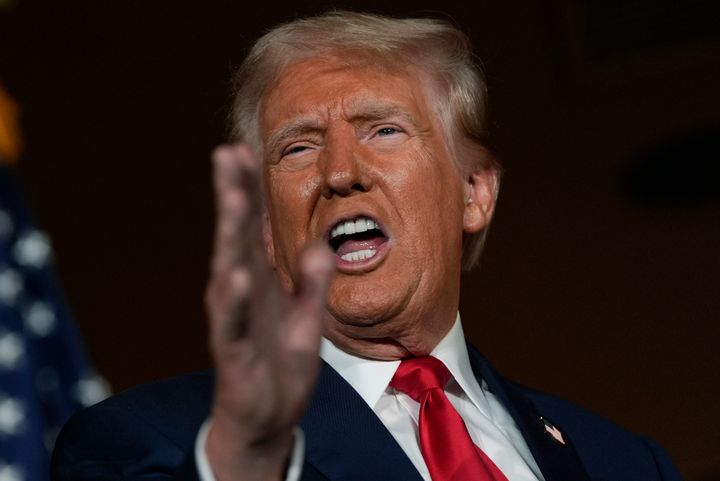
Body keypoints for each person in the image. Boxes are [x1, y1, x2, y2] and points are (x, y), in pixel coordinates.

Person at [51, 11, 682, 481]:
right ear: (269, 234)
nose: (339, 172)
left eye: (383, 130)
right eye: (298, 147)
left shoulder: (624, 462)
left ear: (473, 193)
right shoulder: (153, 446)